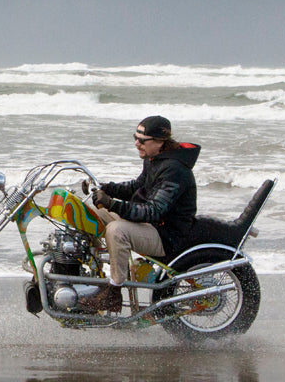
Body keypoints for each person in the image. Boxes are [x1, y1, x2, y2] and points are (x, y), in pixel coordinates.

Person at [83, 115, 199, 313]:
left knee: (116, 231)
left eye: (142, 140)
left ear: (160, 142)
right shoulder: (155, 159)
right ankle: (93, 272)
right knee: (90, 211)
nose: (136, 144)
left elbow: (154, 211)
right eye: (135, 138)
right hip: (151, 226)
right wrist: (103, 188)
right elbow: (137, 187)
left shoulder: (175, 170)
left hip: (166, 235)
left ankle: (113, 292)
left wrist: (112, 203)